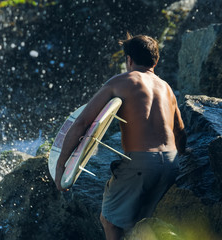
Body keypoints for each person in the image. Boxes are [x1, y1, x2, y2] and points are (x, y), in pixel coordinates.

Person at [54, 33, 187, 240]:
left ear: (129, 60)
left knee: (110, 221)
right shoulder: (166, 88)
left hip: (141, 164)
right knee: (142, 223)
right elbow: (180, 130)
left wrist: (61, 166)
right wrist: (185, 154)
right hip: (171, 163)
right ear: (156, 60)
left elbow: (82, 123)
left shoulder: (120, 82)